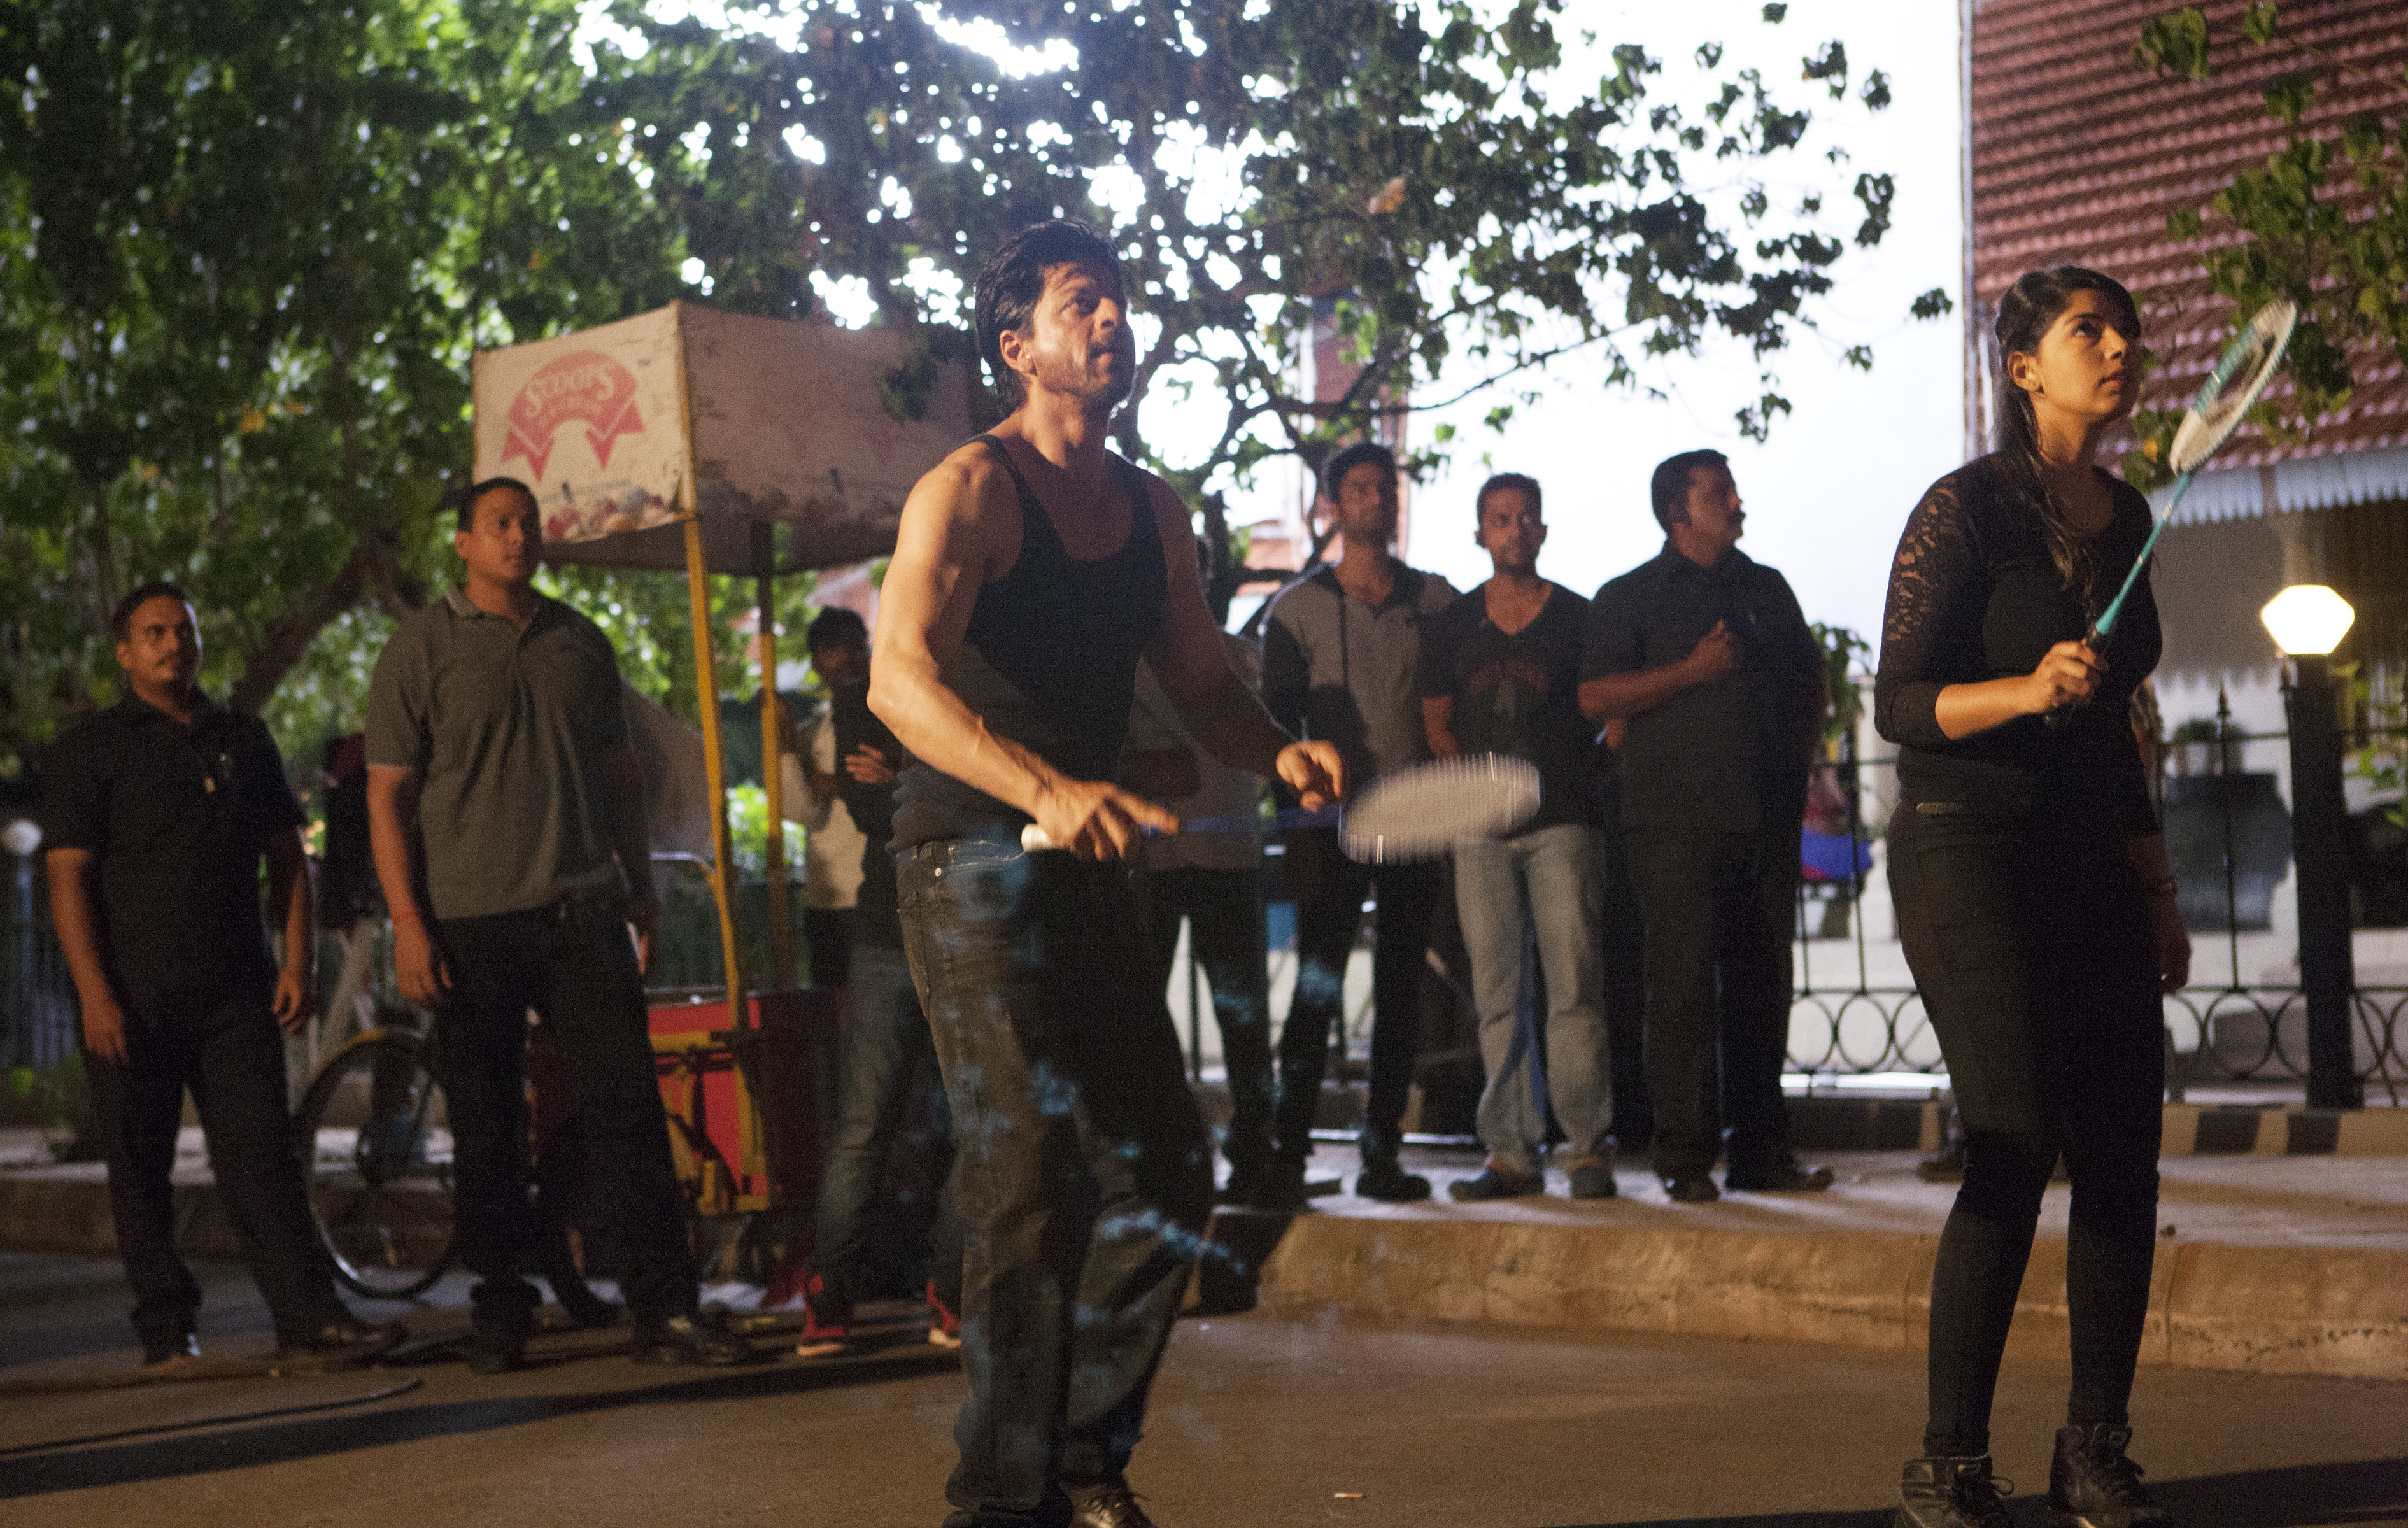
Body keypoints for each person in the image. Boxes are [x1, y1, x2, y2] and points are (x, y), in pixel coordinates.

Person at [872, 219, 1342, 1528]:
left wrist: (1279, 751)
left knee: (1167, 1177)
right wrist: (1044, 787)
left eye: (1122, 302)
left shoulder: (1151, 510)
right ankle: (999, 1498)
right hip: (966, 853)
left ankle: (1080, 1458)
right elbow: (894, 680)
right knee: (1023, 1177)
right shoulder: (968, 488)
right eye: (1085, 304)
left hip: (1081, 856)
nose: (1115, 320)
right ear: (1018, 344)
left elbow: (1203, 687)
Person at [1875, 267, 2190, 1528]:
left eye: (2123, 331)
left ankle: (2093, 1452)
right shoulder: (1962, 512)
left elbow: (2115, 726)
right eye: (2086, 332)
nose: (2117, 348)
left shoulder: (2126, 518)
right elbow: (1900, 705)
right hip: (1966, 840)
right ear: (2023, 368)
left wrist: (2154, 886)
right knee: (2012, 1131)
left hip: (2088, 852)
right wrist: (2020, 690)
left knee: (2124, 1144)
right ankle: (1948, 1463)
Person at [364, 478, 753, 1375]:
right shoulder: (419, 650)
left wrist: (642, 885)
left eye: (528, 524)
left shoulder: (579, 639)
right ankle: (501, 1310)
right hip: (470, 924)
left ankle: (664, 1310)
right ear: (461, 543)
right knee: (487, 1125)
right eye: (499, 524)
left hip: (585, 910)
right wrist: (409, 924)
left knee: (626, 1115)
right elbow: (388, 799)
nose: (518, 536)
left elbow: (621, 777)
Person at [41, 583, 405, 1369]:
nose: (174, 644)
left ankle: (309, 1316)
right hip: (130, 1000)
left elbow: (287, 858)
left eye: (184, 630)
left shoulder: (242, 737)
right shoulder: (91, 749)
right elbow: (66, 879)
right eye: (154, 633)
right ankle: (167, 1330)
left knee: (263, 1158)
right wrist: (96, 997)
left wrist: (299, 960)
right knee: (141, 1170)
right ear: (124, 651)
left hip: (237, 994)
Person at [1580, 449, 1833, 1203]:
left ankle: (1761, 1151)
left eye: (1730, 488)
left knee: (1762, 985)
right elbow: (1595, 696)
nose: (1734, 500)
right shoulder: (1628, 597)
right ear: (1675, 512)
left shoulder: (1765, 588)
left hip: (1761, 816)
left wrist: (1797, 754)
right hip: (1672, 822)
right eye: (1718, 491)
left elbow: (1809, 676)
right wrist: (1689, 672)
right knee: (1683, 987)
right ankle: (1683, 1156)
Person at [1259, 441, 1457, 1205]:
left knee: (1401, 992)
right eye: (1361, 488)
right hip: (1329, 826)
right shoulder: (1298, 609)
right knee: (1316, 987)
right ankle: (1287, 1154)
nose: (1378, 497)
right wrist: (1294, 825)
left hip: (1411, 821)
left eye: (1386, 486)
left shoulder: (1435, 600)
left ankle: (1381, 1156)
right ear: (1334, 506)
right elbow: (1273, 729)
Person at [1418, 475, 1616, 1201]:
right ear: (1480, 533)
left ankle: (1587, 1149)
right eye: (1499, 519)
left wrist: (1584, 774)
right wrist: (1472, 791)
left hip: (1562, 823)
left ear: (1541, 529)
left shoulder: (1577, 618)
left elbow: (1610, 711)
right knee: (1498, 995)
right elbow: (1436, 722)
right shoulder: (1451, 627)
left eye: (1525, 517)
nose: (1513, 529)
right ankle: (1509, 1153)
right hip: (1479, 833)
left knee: (1573, 989)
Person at [791, 605, 965, 1356]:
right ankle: (832, 1293)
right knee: (868, 1121)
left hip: (960, 929)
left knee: (966, 1119)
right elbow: (868, 807)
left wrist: (908, 779)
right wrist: (935, 783)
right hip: (891, 925)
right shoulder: (872, 692)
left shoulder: (968, 683)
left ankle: (949, 1289)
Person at [1124, 620, 1278, 1208]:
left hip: (1218, 850)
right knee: (1146, 1010)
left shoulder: (1235, 657)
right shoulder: (1137, 656)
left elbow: (1185, 765)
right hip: (1160, 853)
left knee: (1238, 1013)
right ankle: (1167, 1156)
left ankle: (1250, 1152)